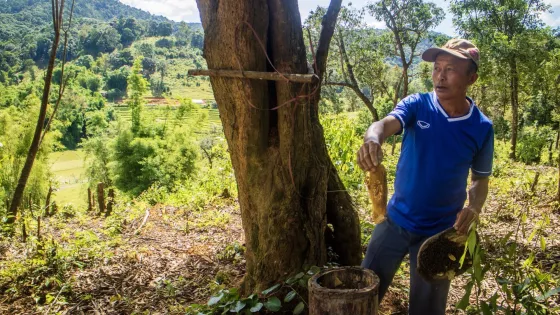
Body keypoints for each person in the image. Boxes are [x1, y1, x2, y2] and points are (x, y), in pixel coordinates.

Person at [358, 39, 494, 315]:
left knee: (427, 309)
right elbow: (384, 124)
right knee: (364, 294)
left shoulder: (481, 127)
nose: (440, 76)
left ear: (471, 78)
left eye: (451, 69)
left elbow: (480, 179)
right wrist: (373, 138)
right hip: (394, 222)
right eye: (437, 68)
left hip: (439, 235)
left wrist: (475, 207)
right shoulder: (417, 105)